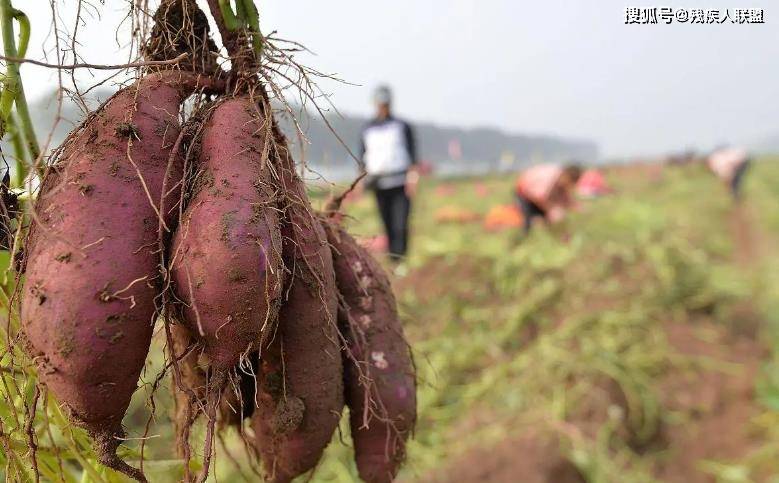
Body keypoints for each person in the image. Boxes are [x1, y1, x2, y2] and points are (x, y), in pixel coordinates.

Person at [359, 85, 418, 261]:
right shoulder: (367, 129)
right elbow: (362, 157)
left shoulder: (401, 126)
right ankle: (393, 259)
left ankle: (401, 258)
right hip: (378, 184)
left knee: (400, 223)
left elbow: (412, 155)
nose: (382, 106)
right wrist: (361, 181)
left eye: (385, 103)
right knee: (387, 224)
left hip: (400, 182)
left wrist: (413, 178)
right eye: (380, 103)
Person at [514, 163, 582, 235]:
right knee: (528, 220)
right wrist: (552, 210)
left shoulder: (560, 178)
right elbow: (538, 197)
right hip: (525, 193)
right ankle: (524, 237)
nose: (569, 186)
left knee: (551, 217)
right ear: (567, 177)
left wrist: (575, 206)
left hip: (540, 196)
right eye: (570, 183)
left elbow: (564, 196)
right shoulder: (548, 179)